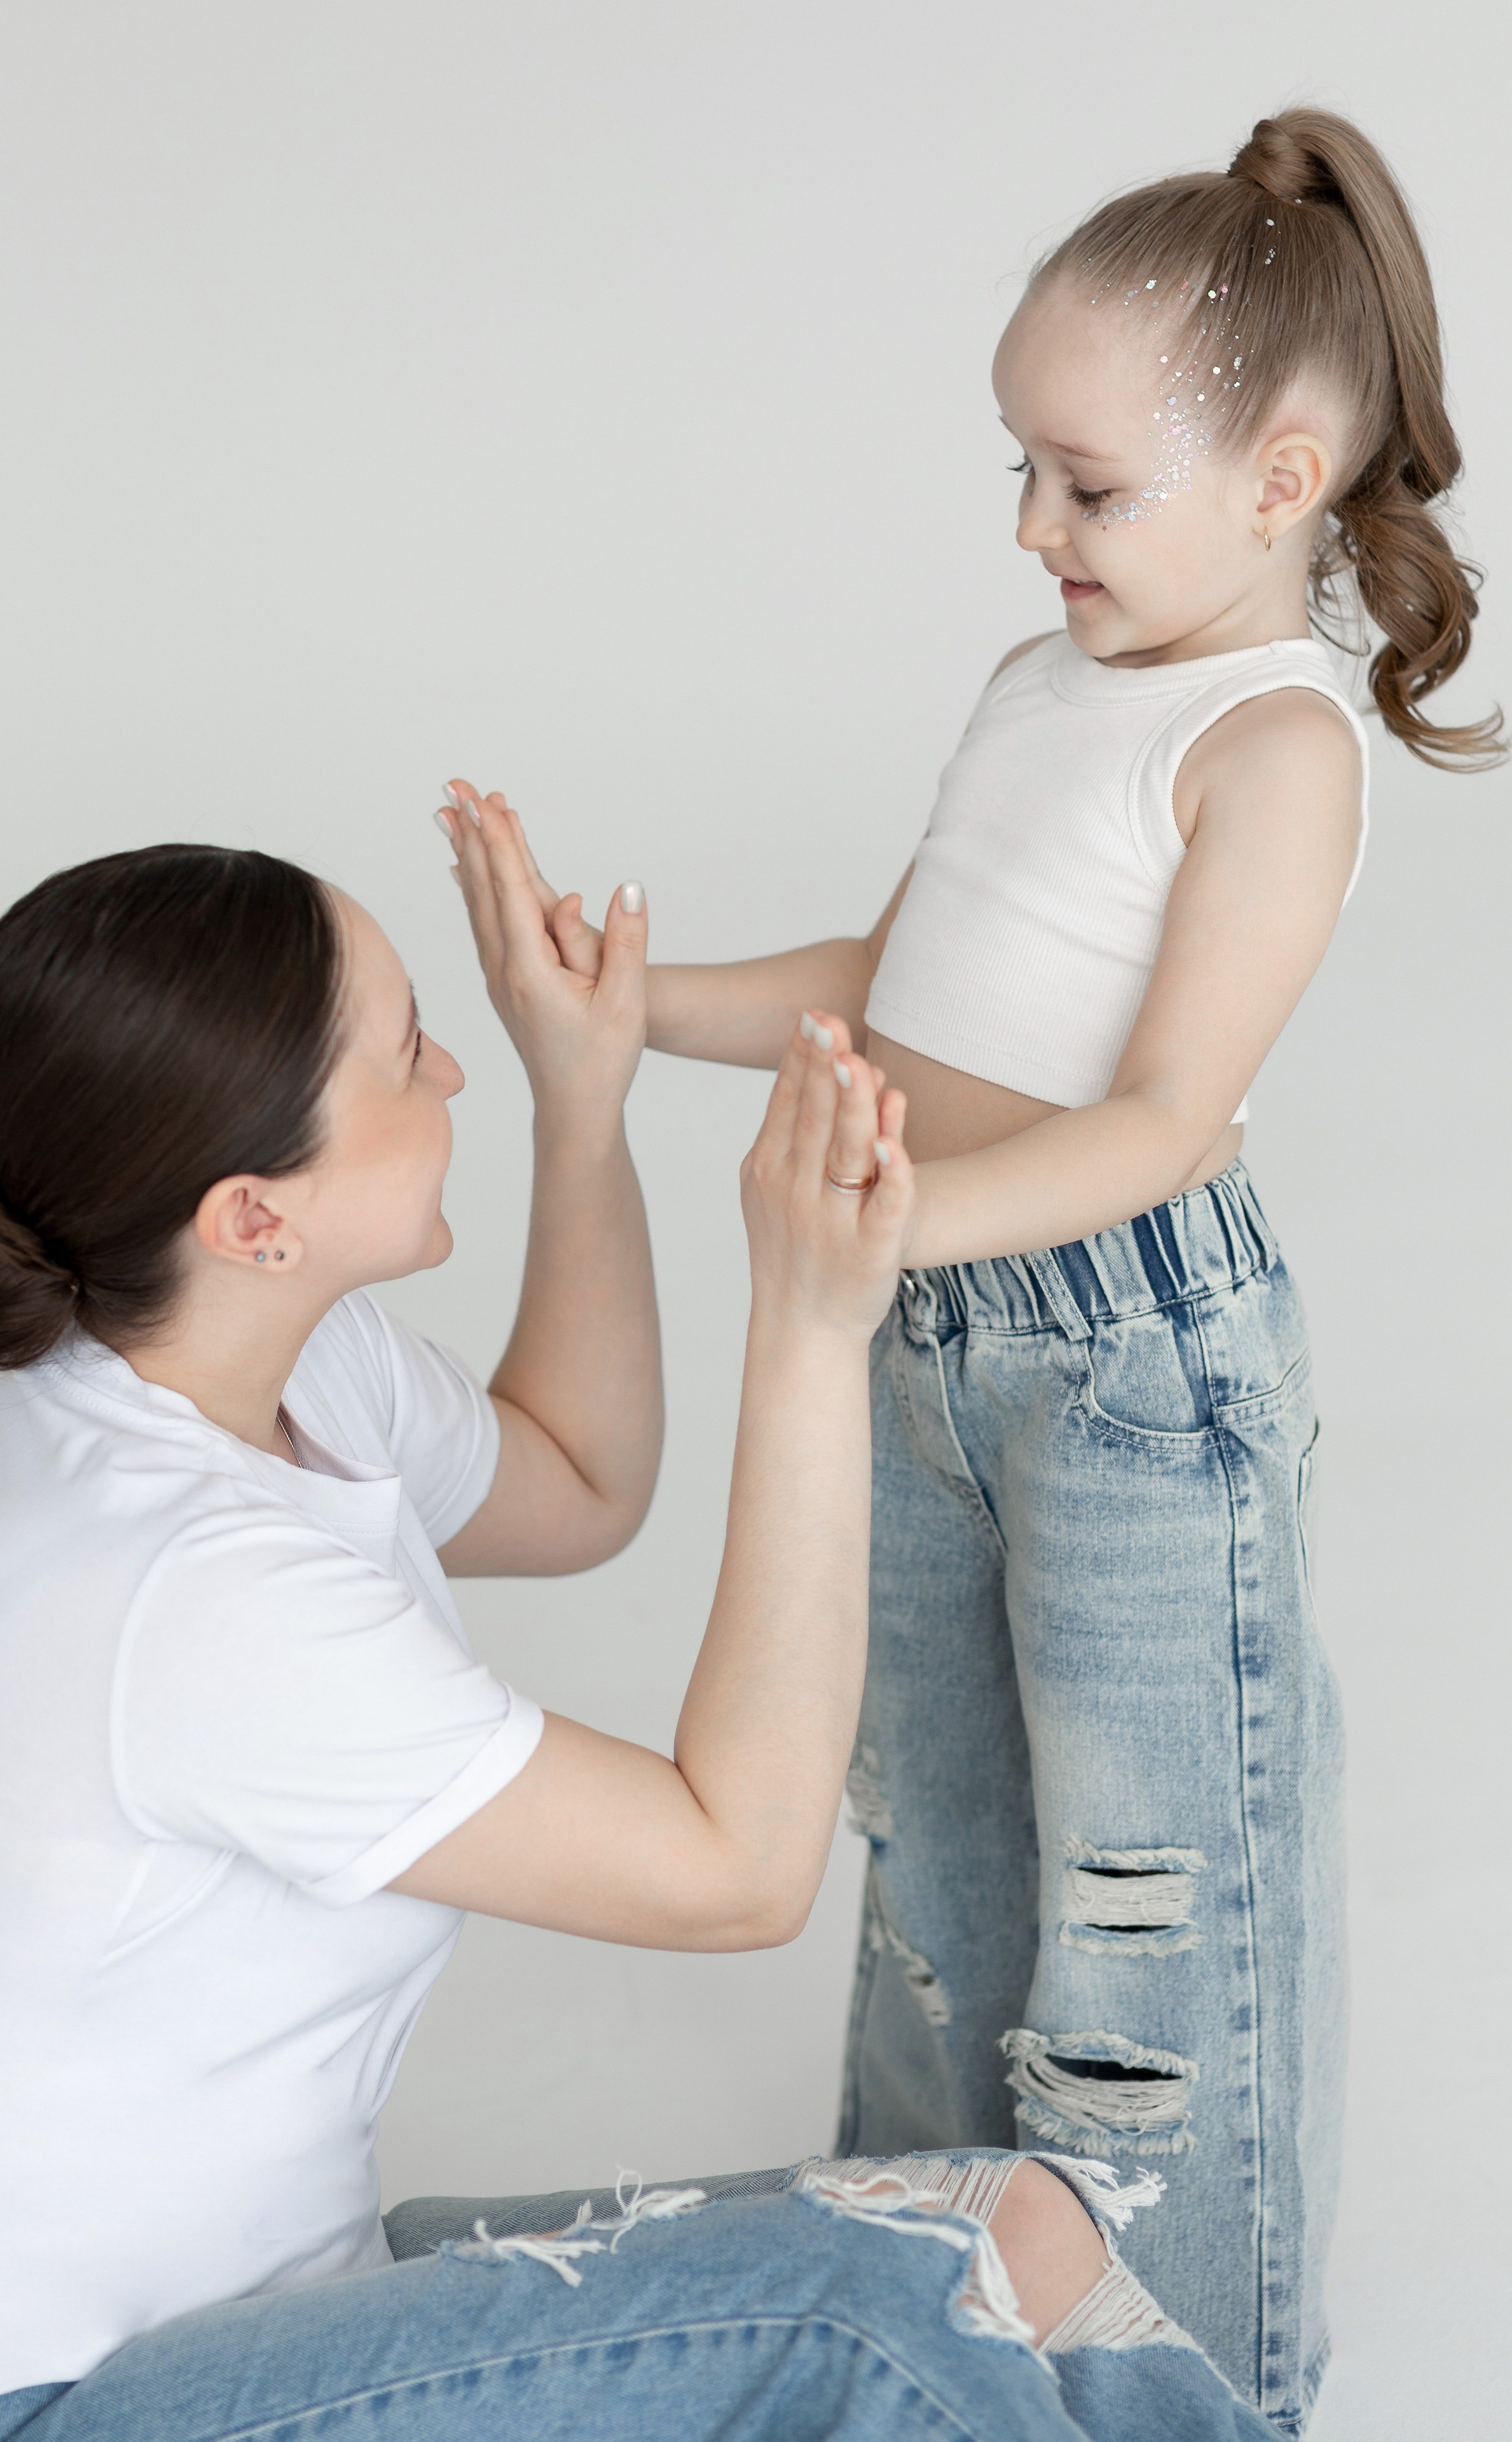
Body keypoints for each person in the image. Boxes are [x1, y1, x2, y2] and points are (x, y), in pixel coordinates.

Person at [439, 109, 1502, 2432]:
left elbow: (1154, 1124)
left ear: (1284, 475)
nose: (1033, 529)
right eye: (1021, 470)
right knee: (930, 1841)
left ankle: (1196, 2379)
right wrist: (639, 1007)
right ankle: (935, 2326)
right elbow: (911, 987)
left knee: (1149, 1902)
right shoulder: (1051, 685)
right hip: (918, 1333)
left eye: (1086, 485)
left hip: (1132, 1370)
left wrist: (886, 1219)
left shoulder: (1272, 749)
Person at [0, 829, 1279, 2441]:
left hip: (254, 2324)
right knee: (880, 2316)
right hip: (41, 2406)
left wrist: (584, 1097)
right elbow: (736, 1868)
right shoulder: (192, 1592)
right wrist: (809, 1329)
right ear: (256, 1216)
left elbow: (576, 1479)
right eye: (409, 1055)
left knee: (1003, 2229)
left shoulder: (233, 1363)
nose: (452, 1067)